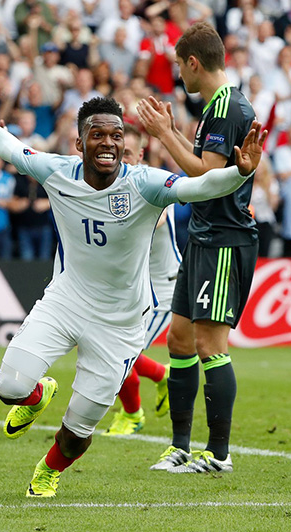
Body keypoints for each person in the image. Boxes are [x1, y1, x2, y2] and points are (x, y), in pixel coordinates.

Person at [0, 60, 266, 498]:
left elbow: (197, 188)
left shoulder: (145, 184)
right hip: (67, 300)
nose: (108, 143)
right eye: (98, 135)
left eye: (116, 135)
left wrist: (239, 173)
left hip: (121, 323)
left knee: (78, 430)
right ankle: (38, 396)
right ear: (79, 142)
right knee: (10, 387)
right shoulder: (56, 172)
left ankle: (48, 470)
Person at [137, 21, 258, 475]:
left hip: (224, 239)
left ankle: (219, 454)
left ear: (193, 62)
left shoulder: (225, 107)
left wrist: (164, 134)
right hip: (205, 236)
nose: (177, 76)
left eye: (178, 66)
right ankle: (181, 447)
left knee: (210, 342)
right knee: (179, 338)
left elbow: (204, 178)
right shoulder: (218, 105)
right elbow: (208, 168)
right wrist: (173, 132)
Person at [103, 124, 173, 436]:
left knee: (117, 355)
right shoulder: (110, 185)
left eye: (128, 153)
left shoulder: (152, 185)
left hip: (162, 292)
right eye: (117, 152)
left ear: (141, 155)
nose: (121, 159)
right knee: (104, 347)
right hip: (132, 289)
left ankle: (132, 415)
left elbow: (155, 220)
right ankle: (162, 377)